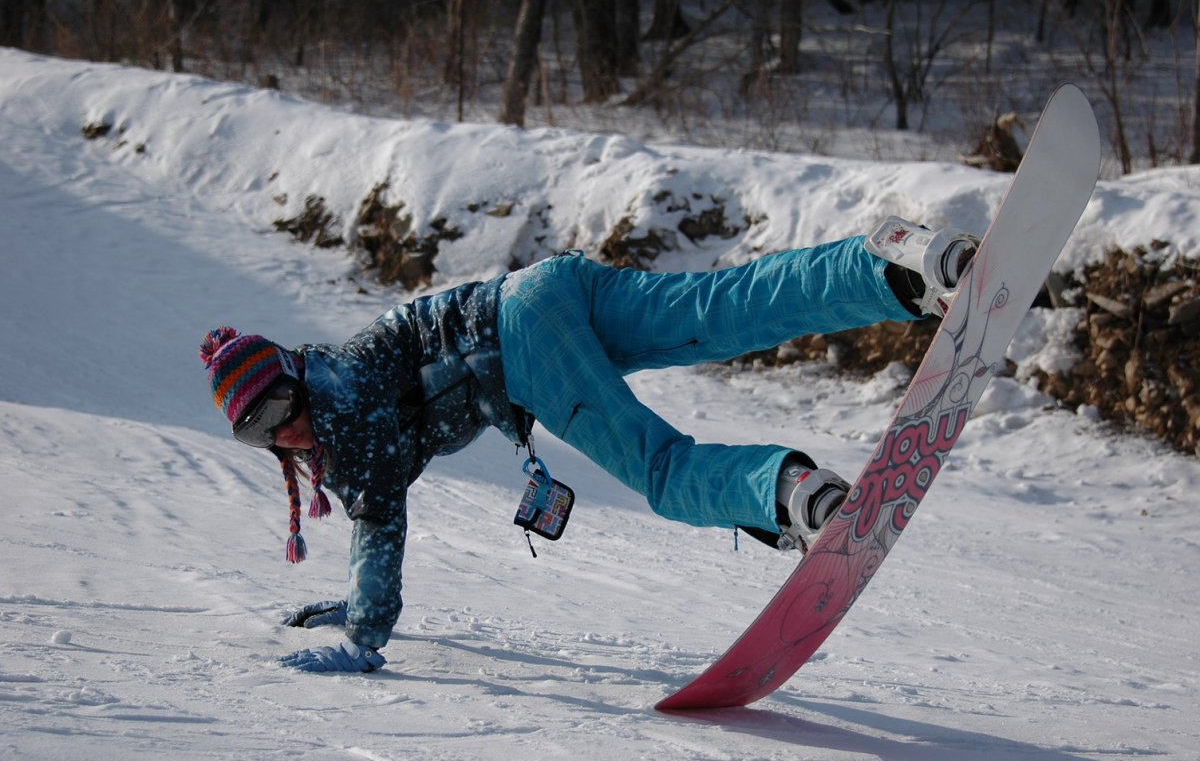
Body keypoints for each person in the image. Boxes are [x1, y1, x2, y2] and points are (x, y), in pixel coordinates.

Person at [199, 216, 978, 674]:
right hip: (544, 287)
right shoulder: (338, 377)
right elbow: (373, 506)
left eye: (278, 407)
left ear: (294, 376)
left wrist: (364, 636)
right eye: (258, 431)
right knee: (721, 307)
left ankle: (791, 497)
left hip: (524, 341)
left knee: (661, 471)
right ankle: (896, 264)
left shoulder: (340, 403)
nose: (284, 431)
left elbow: (377, 521)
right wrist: (355, 604)